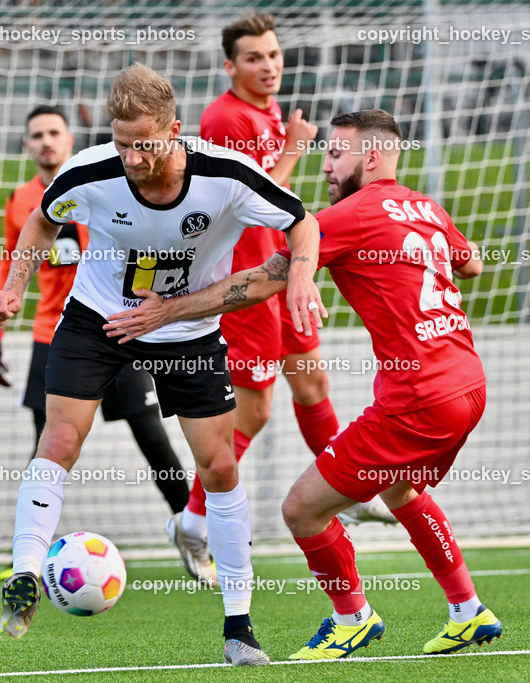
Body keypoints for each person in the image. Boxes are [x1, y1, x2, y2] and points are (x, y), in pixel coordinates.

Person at [106, 110, 503, 659]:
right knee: (400, 487)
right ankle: (467, 609)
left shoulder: (346, 216)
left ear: (370, 156)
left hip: (419, 398)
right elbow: (473, 264)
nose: (327, 168)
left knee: (301, 510)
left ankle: (352, 617)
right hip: (468, 384)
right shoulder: (426, 207)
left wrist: (167, 311)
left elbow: (253, 285)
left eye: (336, 154)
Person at [0, 63, 325, 666]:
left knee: (218, 467)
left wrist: (299, 273)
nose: (132, 158)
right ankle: (25, 576)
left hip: (189, 328)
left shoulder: (227, 177)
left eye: (144, 144)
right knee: (59, 438)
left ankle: (240, 629)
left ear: (174, 130)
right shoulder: (89, 171)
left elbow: (303, 223)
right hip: (100, 319)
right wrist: (14, 285)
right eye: (121, 143)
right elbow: (42, 219)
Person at [166, 11, 394, 588]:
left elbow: (280, 199)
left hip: (283, 269)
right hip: (245, 280)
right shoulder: (224, 116)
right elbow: (239, 197)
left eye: (273, 55)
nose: (268, 66)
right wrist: (294, 149)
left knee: (313, 383)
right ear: (230, 66)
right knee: (257, 408)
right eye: (254, 58)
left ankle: (345, 489)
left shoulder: (266, 113)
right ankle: (192, 521)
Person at [0, 104, 190, 520]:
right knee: (46, 444)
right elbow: (12, 260)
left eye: (53, 134)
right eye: (37, 135)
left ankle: (194, 532)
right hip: (54, 334)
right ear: (27, 146)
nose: (46, 142)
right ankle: (30, 550)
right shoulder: (21, 201)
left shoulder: (104, 187)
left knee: (152, 436)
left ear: (70, 141)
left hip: (116, 328)